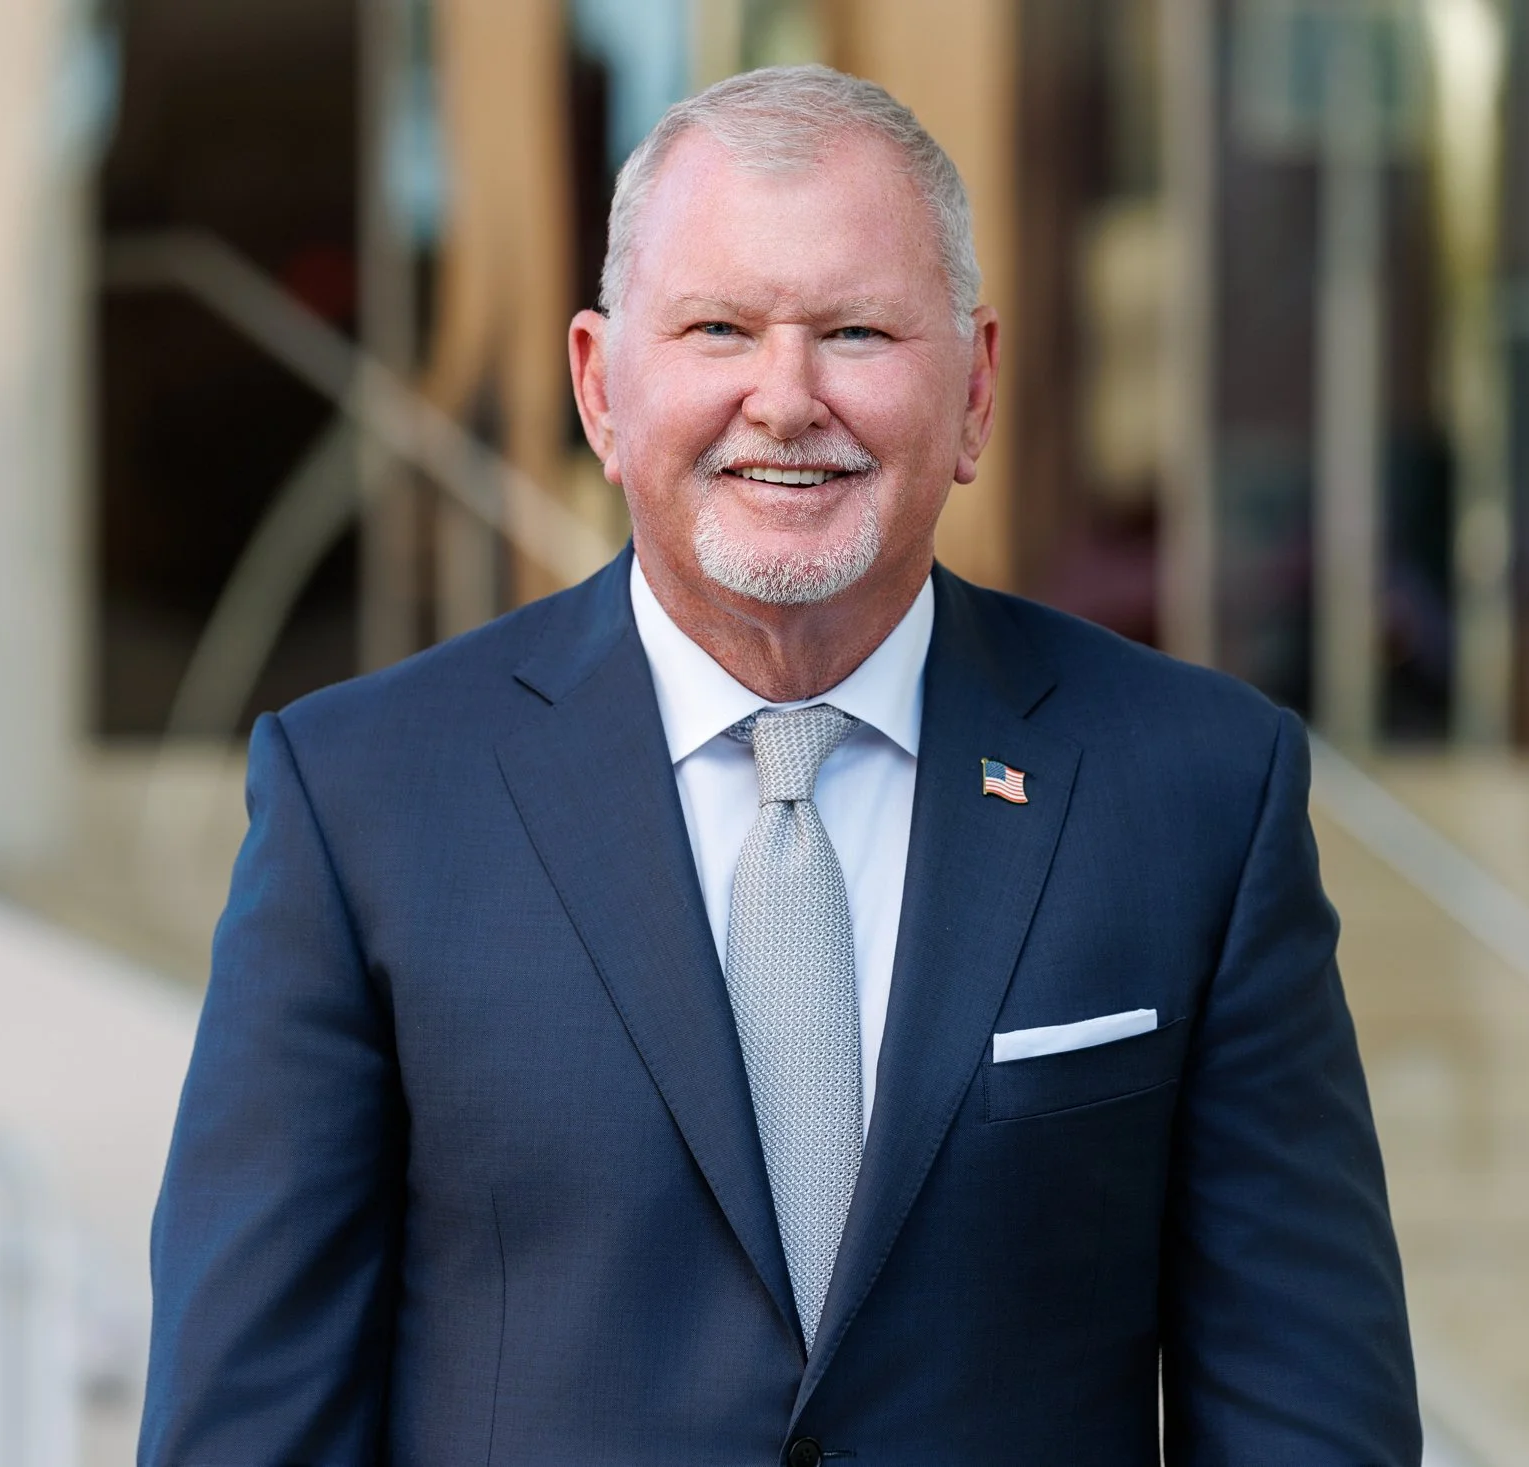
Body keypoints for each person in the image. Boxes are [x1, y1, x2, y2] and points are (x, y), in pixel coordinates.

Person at [140, 64, 1418, 1467]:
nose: (786, 397)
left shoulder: (1197, 793)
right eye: (719, 328)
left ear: (978, 387)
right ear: (600, 388)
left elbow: (1312, 1423)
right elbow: (244, 1433)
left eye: (858, 330)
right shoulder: (364, 805)